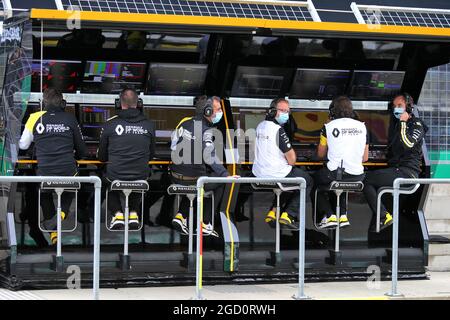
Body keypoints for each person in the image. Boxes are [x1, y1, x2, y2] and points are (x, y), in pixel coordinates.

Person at [19, 88, 86, 245]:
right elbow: (82, 151)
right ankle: (61, 213)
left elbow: (23, 145)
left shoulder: (35, 117)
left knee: (44, 191)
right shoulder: (70, 119)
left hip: (45, 173)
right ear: (63, 103)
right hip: (68, 172)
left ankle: (54, 233)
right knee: (72, 187)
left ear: (42, 103)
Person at [170, 96, 237, 236]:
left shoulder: (184, 122)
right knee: (219, 181)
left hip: (175, 176)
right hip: (192, 179)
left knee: (196, 180)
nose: (220, 113)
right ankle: (205, 223)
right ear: (207, 111)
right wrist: (226, 175)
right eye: (218, 109)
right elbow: (209, 156)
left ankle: (181, 216)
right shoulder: (207, 131)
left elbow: (173, 145)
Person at [363, 93, 427, 231]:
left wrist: (403, 122)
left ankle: (383, 216)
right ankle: (383, 215)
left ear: (409, 107)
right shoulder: (397, 125)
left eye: (399, 106)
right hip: (397, 170)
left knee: (366, 180)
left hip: (407, 173)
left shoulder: (416, 124)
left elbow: (408, 143)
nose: (396, 109)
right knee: (368, 177)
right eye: (394, 106)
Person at [98, 88, 155, 230]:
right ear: (139, 104)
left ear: (119, 103)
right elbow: (151, 155)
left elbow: (101, 157)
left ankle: (117, 213)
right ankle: (133, 213)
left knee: (105, 177)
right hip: (140, 176)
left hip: (115, 176)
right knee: (137, 172)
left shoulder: (109, 124)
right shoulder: (149, 125)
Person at [252, 97, 313, 230]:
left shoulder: (260, 126)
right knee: (307, 180)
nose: (286, 114)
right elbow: (292, 160)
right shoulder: (277, 130)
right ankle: (289, 214)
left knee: (289, 183)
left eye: (288, 111)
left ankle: (274, 211)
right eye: (283, 111)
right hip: (275, 174)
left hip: (259, 174)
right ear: (273, 111)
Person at [314, 96, 369, 229]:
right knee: (341, 181)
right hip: (358, 177)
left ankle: (330, 215)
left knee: (313, 182)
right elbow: (365, 158)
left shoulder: (328, 127)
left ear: (332, 112)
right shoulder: (362, 127)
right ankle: (342, 216)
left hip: (337, 175)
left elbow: (320, 154)